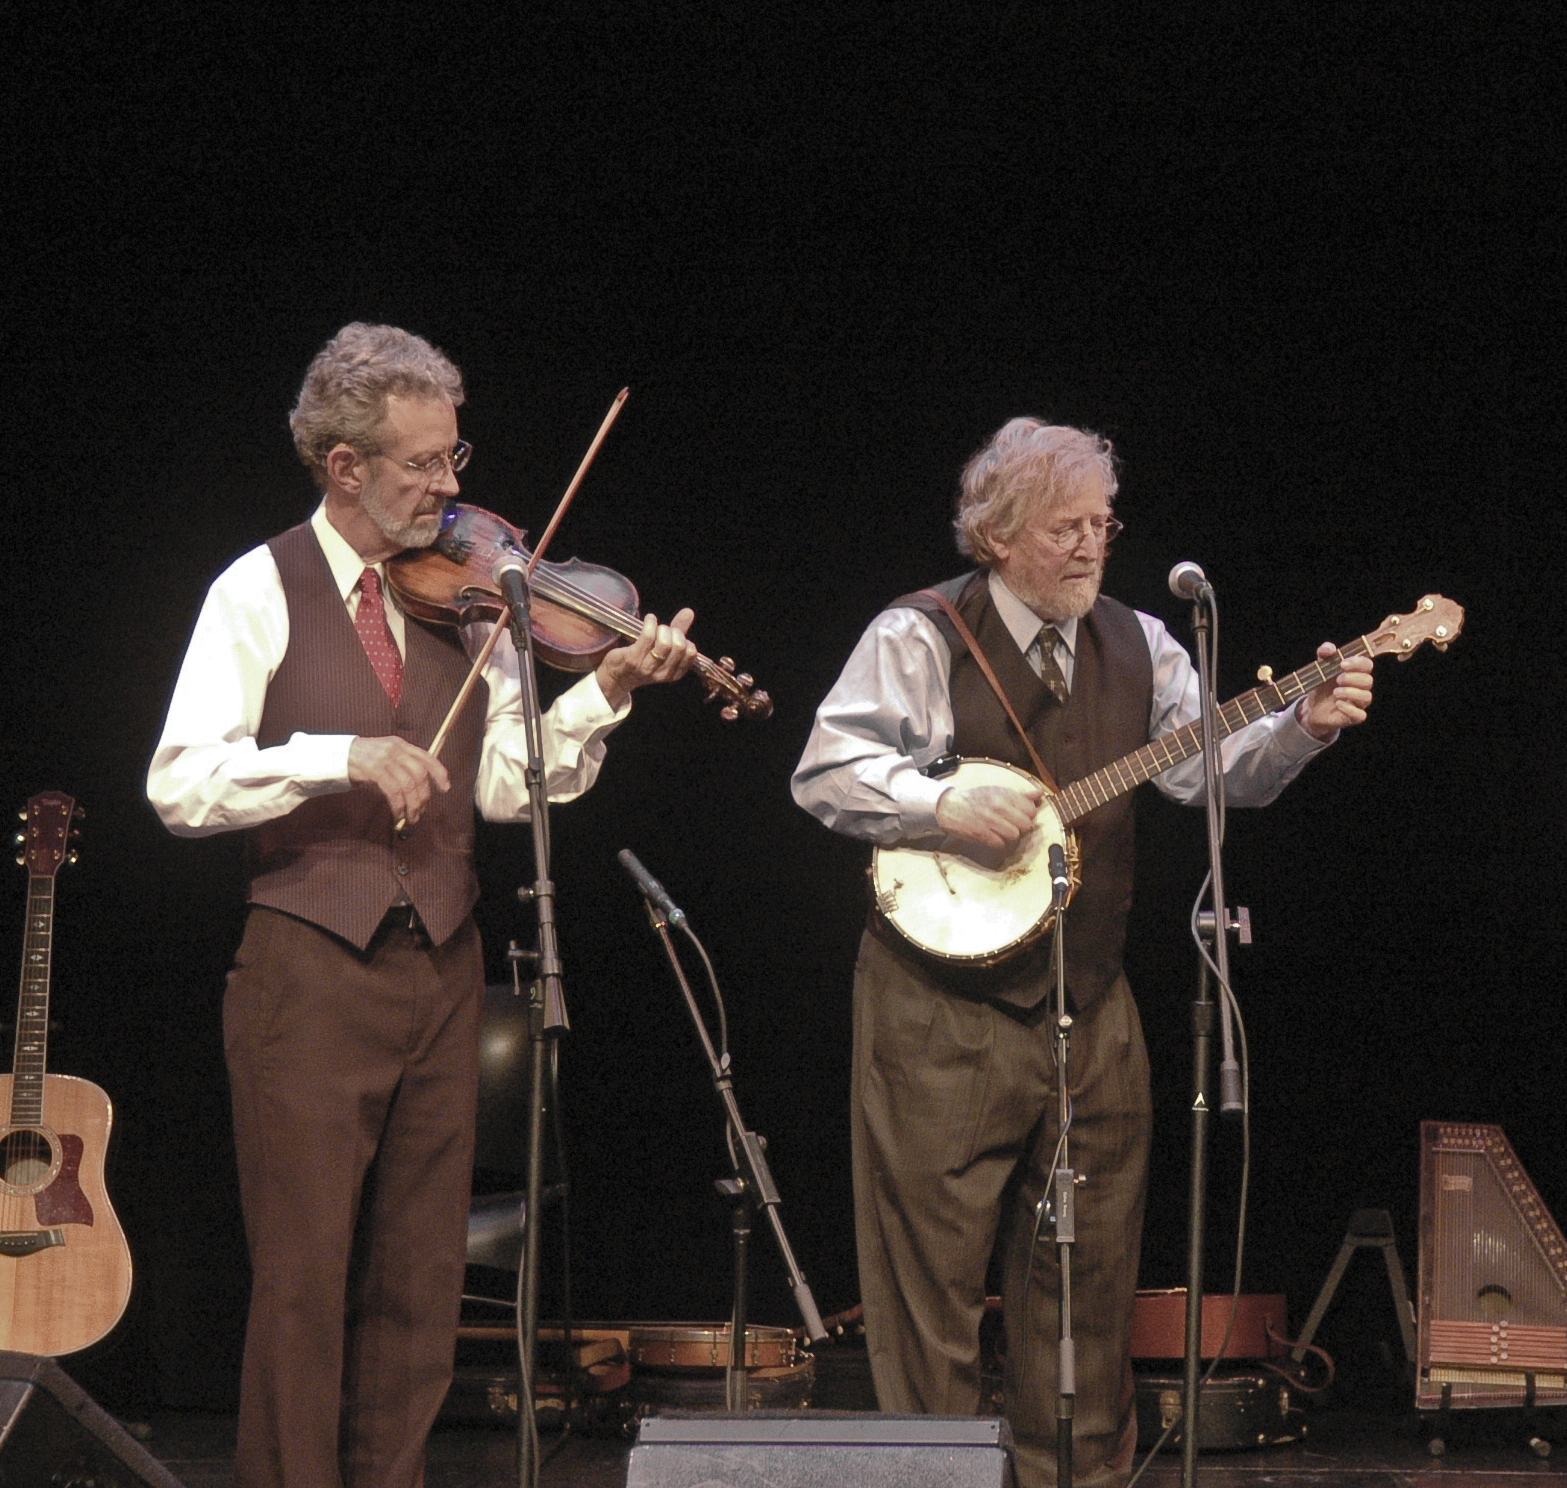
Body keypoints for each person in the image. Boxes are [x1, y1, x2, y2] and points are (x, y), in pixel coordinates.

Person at [147, 323, 699, 1488]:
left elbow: (506, 786)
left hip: (443, 966)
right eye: (421, 465)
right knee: (303, 1282)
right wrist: (338, 757)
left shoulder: (474, 602)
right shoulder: (259, 587)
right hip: (306, 967)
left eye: (454, 459)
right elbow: (180, 782)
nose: (451, 489)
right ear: (344, 464)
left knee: (416, 1286)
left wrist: (598, 690)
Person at [792, 417, 1374, 1488]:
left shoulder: (1140, 640)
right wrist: (937, 802)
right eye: (1064, 527)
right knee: (932, 1288)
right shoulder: (919, 633)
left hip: (1088, 1000)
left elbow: (1211, 775)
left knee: (1091, 1285)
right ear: (1000, 533)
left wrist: (1304, 728)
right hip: (938, 1005)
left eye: (1101, 524)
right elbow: (825, 774)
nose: (1089, 546)